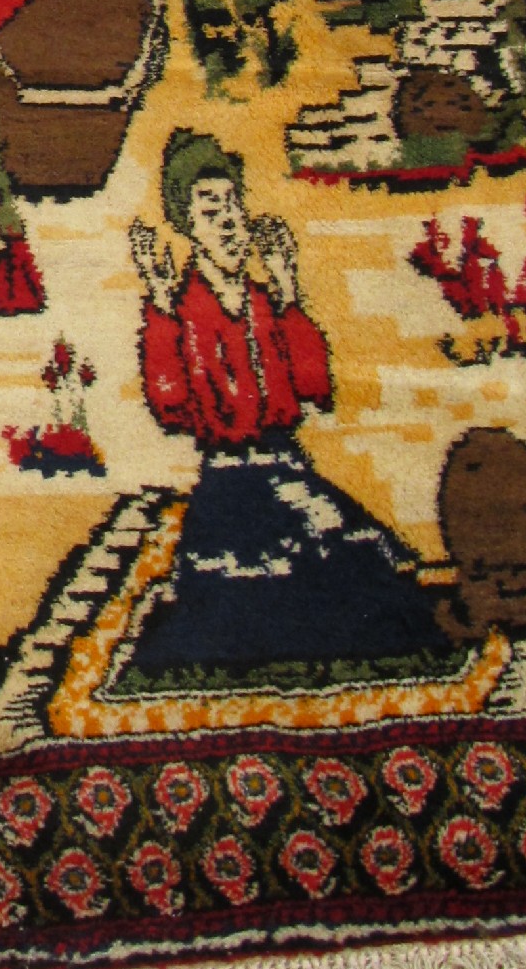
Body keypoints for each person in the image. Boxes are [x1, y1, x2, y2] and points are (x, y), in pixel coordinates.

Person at [125, 129, 457, 683]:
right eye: (210, 210)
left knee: (367, 568)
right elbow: (169, 405)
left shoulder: (264, 302)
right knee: (262, 591)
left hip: (289, 464)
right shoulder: (183, 310)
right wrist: (159, 309)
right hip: (231, 479)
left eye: (233, 205)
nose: (229, 222)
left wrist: (288, 294)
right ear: (186, 224)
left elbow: (315, 386)